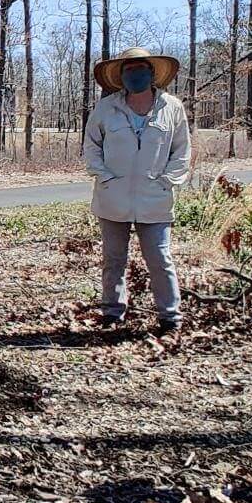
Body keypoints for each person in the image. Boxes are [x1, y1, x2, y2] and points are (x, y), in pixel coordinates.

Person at [83, 48, 192, 331]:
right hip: (112, 199)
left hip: (155, 199)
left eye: (140, 68)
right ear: (121, 76)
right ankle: (112, 312)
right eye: (128, 70)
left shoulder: (172, 108)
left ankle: (170, 317)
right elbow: (91, 146)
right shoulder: (106, 108)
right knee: (113, 259)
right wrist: (104, 176)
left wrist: (167, 180)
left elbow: (182, 151)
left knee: (159, 258)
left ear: (152, 72)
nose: (135, 74)